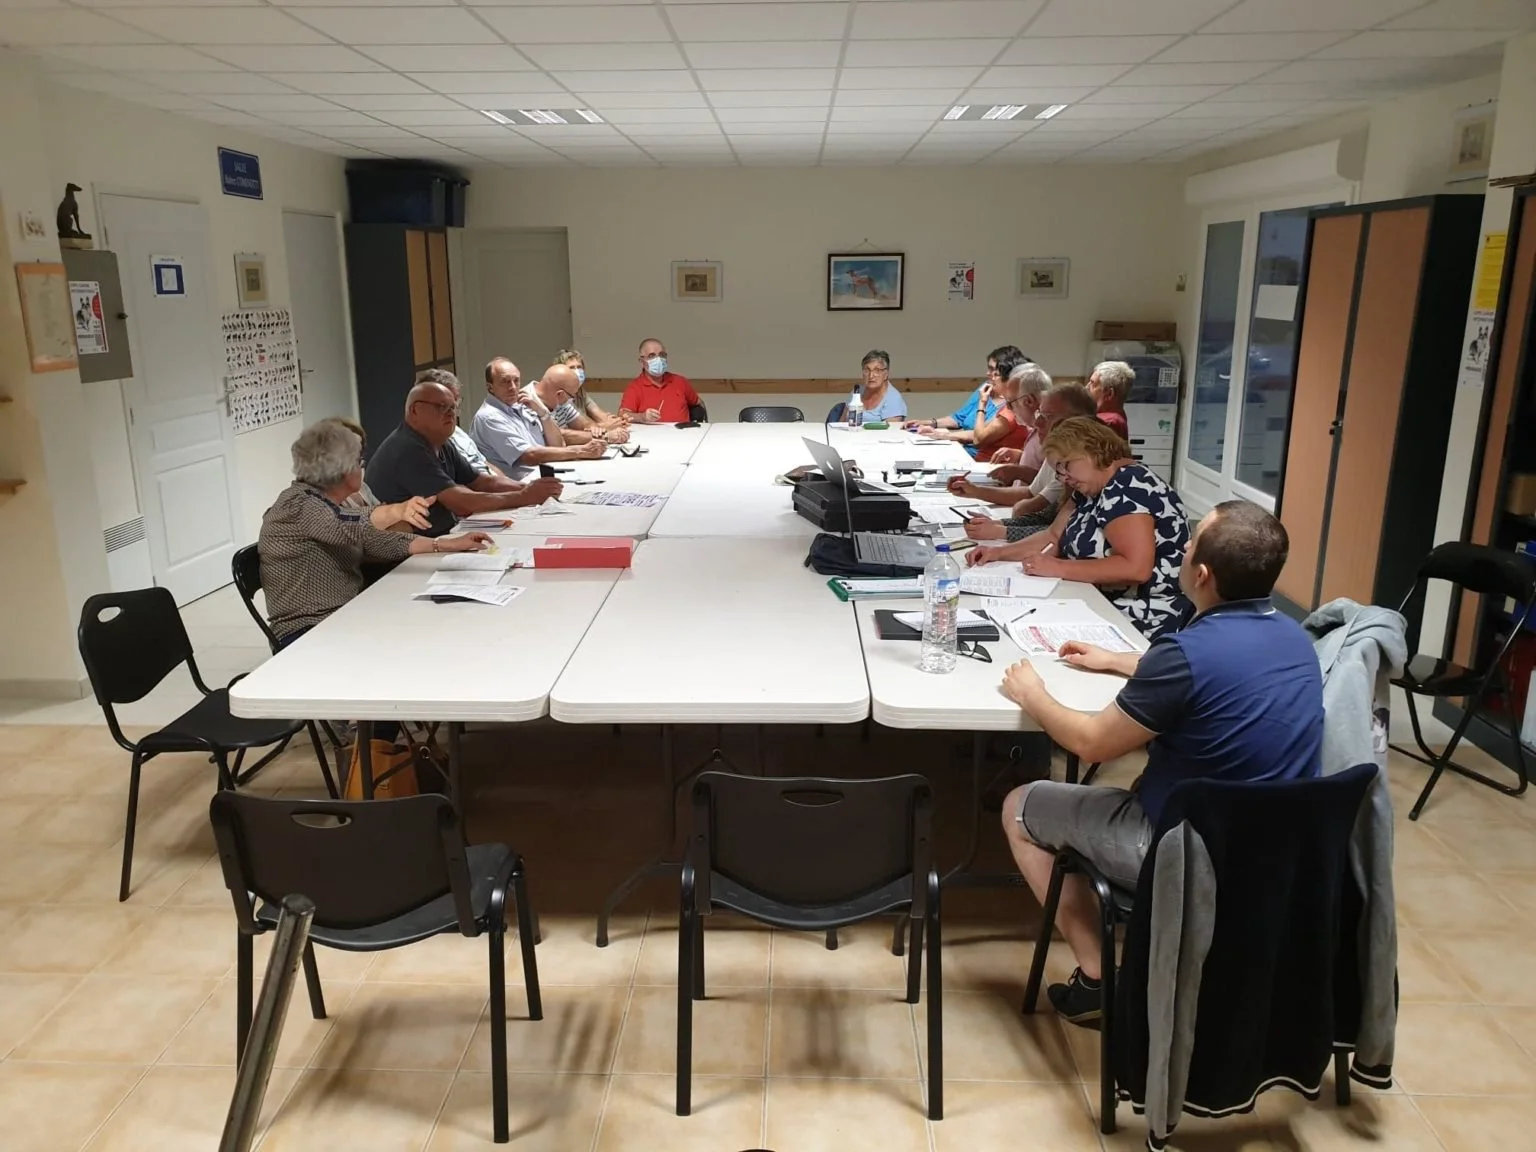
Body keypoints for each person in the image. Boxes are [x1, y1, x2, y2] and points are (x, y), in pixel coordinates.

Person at [996, 501, 1323, 1024]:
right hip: (1276, 848)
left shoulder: (1186, 653)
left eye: (1191, 543)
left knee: (1019, 806)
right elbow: (1222, 670)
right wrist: (1121, 661)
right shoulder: (1295, 638)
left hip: (1187, 848)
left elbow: (1089, 744)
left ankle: (1099, 977)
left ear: (1201, 574)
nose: (1184, 548)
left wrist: (1031, 693)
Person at [260, 420, 492, 646]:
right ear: (343, 470)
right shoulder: (299, 506)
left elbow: (376, 540)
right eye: (358, 461)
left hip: (345, 614)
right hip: (308, 630)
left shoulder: (322, 502)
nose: (362, 466)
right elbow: (348, 525)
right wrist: (397, 510)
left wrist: (445, 545)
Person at [969, 416, 1191, 640]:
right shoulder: (1089, 489)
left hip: (1140, 614)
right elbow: (1053, 536)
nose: (1064, 478)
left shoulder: (1128, 486)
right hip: (1097, 599)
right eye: (1058, 471)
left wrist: (1058, 567)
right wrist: (997, 553)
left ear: (1092, 451)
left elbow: (1135, 568)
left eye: (1066, 466)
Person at [366, 379, 563, 537]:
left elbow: (481, 481)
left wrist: (531, 488)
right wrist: (524, 496)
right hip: (404, 554)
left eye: (453, 408)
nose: (450, 414)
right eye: (441, 407)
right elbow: (460, 501)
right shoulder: (407, 449)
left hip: (440, 536)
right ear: (414, 411)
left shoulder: (440, 441)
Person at [956, 383, 1099, 541]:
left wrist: (1000, 531)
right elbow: (1048, 519)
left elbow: (1063, 533)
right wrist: (997, 525)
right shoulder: (1060, 456)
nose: (1037, 424)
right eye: (1039, 415)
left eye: (1047, 417)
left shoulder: (1082, 467)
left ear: (1074, 422)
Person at [472, 359, 606, 479]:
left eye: (516, 380)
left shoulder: (522, 405)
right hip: (521, 485)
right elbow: (529, 456)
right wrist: (581, 451)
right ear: (490, 387)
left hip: (547, 475)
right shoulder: (489, 417)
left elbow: (558, 445)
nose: (513, 387)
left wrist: (543, 414)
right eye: (505, 382)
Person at [318, 417, 433, 533]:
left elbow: (404, 529)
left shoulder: (363, 489)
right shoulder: (322, 499)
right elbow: (358, 536)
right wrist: (389, 518)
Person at [907, 345, 1026, 454]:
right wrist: (930, 423)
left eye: (993, 371)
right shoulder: (986, 388)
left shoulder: (1011, 407)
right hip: (960, 448)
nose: (988, 374)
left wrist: (940, 435)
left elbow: (978, 438)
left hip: (974, 456)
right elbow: (959, 417)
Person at [414, 368, 500, 476]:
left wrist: (511, 486)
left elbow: (483, 463)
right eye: (443, 405)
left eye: (455, 404)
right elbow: (460, 487)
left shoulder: (457, 432)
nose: (452, 412)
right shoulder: (422, 446)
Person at [973, 359, 1041, 464]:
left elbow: (978, 439)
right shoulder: (1012, 407)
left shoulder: (1011, 414)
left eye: (997, 374)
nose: (991, 377)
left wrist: (982, 403)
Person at [553, 348, 629, 442]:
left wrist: (618, 421)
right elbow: (584, 427)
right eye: (572, 368)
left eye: (579, 367)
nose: (577, 371)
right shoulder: (561, 396)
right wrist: (606, 427)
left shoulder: (581, 391)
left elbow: (599, 416)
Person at [620, 337, 700, 423]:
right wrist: (642, 417)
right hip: (651, 436)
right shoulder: (635, 387)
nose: (658, 359)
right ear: (641, 362)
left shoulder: (680, 381)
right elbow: (623, 415)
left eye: (662, 355)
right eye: (652, 356)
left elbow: (698, 403)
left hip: (684, 434)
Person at [845, 349, 907, 422]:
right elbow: (841, 423)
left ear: (886, 374)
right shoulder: (857, 392)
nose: (871, 376)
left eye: (877, 370)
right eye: (867, 370)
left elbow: (891, 431)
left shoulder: (894, 399)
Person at [1088, 360, 1134, 439]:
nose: (1087, 387)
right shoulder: (1117, 416)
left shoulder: (1108, 423)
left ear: (1109, 394)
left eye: (1093, 383)